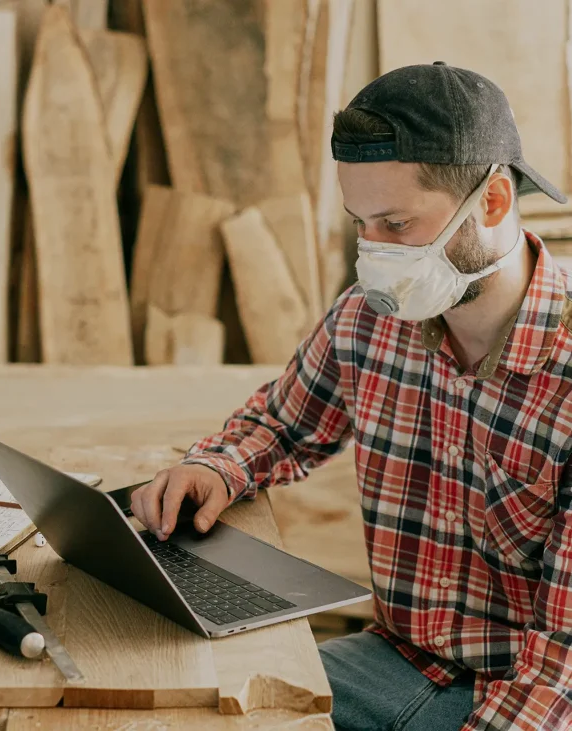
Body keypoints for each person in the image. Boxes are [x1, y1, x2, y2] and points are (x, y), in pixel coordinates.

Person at [129, 62, 572, 731]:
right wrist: (215, 467)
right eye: (359, 223)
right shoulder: (371, 319)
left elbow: (561, 664)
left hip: (527, 692)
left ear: (492, 202)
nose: (373, 252)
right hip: (396, 658)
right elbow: (282, 426)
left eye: (395, 223)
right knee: (193, 703)